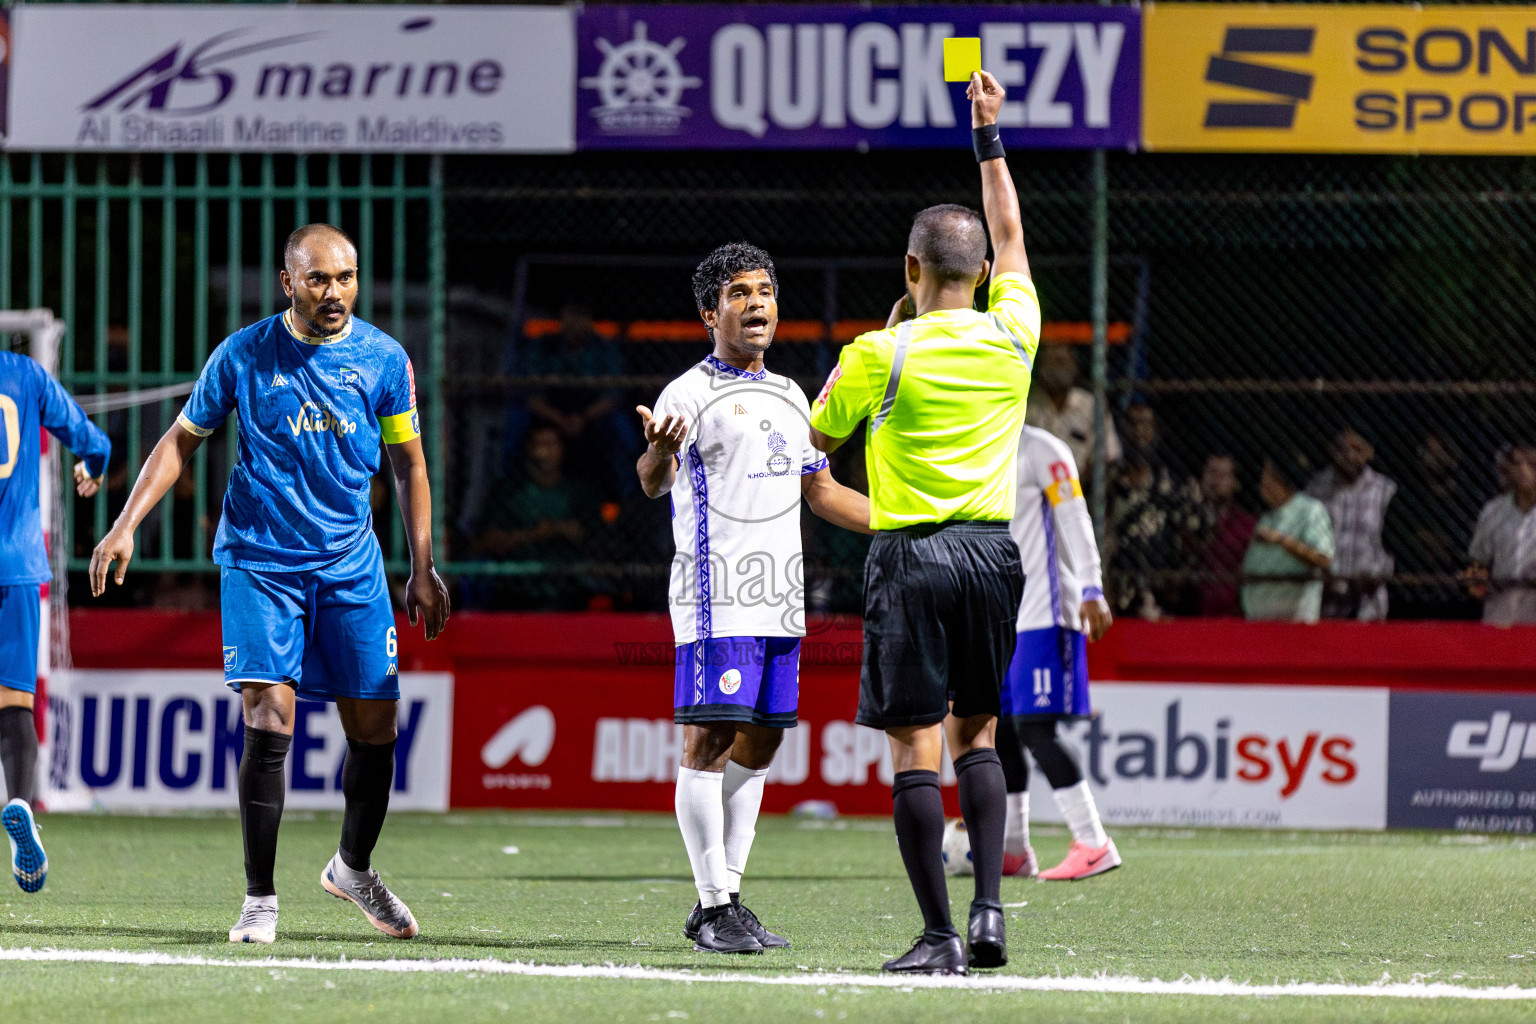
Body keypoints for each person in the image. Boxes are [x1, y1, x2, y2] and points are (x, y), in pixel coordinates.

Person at [89, 224, 450, 945]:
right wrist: (126, 522)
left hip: (351, 565)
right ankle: (259, 900)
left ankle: (353, 868)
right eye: (319, 279)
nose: (335, 292)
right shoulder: (245, 355)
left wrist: (421, 564)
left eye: (346, 277)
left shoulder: (383, 359)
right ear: (289, 282)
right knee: (268, 717)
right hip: (260, 562)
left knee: (376, 729)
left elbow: (409, 463)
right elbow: (180, 441)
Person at [808, 70, 1036, 976]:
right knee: (978, 733)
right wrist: (987, 134)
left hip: (909, 554)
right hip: (992, 552)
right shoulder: (1015, 332)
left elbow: (812, 451)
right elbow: (1012, 232)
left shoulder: (878, 352)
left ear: (910, 270)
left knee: (915, 744)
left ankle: (939, 937)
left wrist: (879, 514)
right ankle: (988, 913)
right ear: (980, 275)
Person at [637, 242, 870, 956]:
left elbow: (820, 491)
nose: (757, 303)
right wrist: (658, 452)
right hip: (716, 599)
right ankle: (712, 909)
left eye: (765, 290)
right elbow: (652, 480)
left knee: (761, 743)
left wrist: (906, 519)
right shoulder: (687, 393)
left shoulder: (794, 395)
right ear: (711, 312)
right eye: (739, 293)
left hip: (781, 599)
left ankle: (729, 895)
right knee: (708, 740)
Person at [0, 350, 110, 892]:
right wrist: (92, 466)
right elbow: (96, 442)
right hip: (17, 566)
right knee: (15, 704)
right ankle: (19, 798)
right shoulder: (25, 374)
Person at [996, 426, 1118, 884]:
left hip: (1047, 609)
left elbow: (1074, 516)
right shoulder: (978, 439)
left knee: (1035, 728)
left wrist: (1092, 586)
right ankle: (1013, 849)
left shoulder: (1042, 447)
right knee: (1001, 729)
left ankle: (1093, 842)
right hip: (1004, 615)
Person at [472, 423, 594, 610]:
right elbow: (485, 541)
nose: (544, 452)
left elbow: (591, 535)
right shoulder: (508, 492)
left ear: (562, 449)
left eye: (551, 444)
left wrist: (556, 529)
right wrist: (532, 535)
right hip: (514, 593)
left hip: (566, 594)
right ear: (528, 448)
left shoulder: (578, 491)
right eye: (538, 444)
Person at [1306, 426, 1396, 621]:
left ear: (1369, 452)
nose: (1348, 456)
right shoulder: (1316, 488)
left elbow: (1395, 544)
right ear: (1331, 450)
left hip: (1368, 599)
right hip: (1326, 597)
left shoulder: (1384, 491)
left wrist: (1378, 572)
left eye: (1356, 449)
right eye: (1342, 449)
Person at [1242, 450, 1334, 623]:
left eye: (1266, 475)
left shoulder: (1310, 510)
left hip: (1294, 625)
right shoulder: (1267, 518)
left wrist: (1282, 540)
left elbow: (1324, 558)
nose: (1261, 482)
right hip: (1258, 624)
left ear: (1280, 478)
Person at [1025, 343, 1120, 475]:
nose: (1057, 369)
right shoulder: (1027, 403)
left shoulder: (1091, 405)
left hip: (1079, 485)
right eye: (1051, 361)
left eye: (1062, 361)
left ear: (1075, 365)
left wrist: (1074, 490)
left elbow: (1108, 455)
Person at [1467, 444, 1536, 625]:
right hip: (1500, 612)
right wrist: (1475, 579)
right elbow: (1479, 561)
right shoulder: (1493, 510)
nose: (1523, 469)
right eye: (1517, 463)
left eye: (1531, 464)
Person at [1189, 453, 1256, 617]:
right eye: (1211, 472)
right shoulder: (1185, 519)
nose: (1216, 480)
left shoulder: (1247, 525)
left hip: (1232, 615)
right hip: (1191, 613)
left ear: (1235, 483)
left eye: (1223, 475)